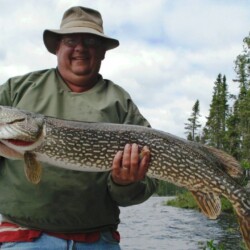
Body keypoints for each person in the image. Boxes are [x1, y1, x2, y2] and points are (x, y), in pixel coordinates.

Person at [0, 6, 158, 250]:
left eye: (91, 41)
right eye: (71, 40)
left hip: (98, 241)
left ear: (103, 52)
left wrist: (126, 182)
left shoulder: (120, 102)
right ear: (57, 47)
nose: (80, 48)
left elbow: (143, 188)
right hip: (24, 237)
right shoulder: (16, 89)